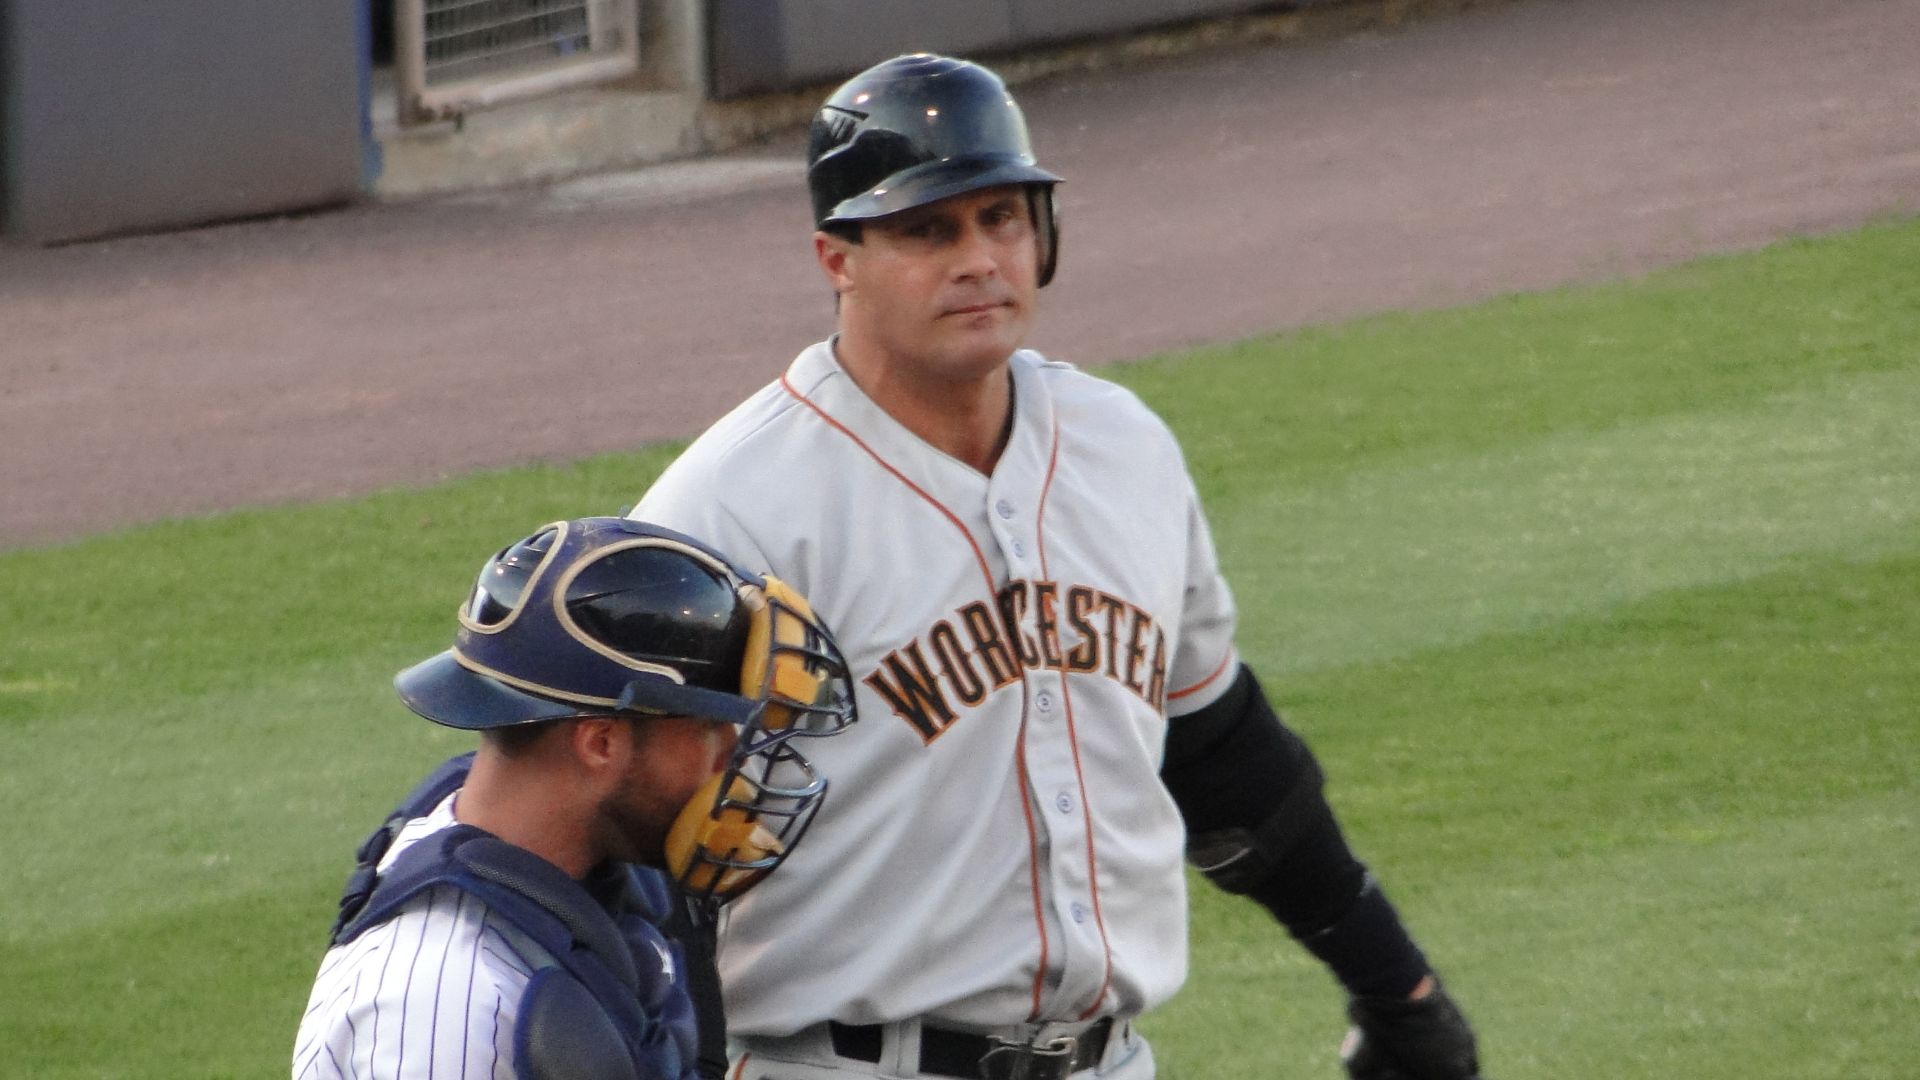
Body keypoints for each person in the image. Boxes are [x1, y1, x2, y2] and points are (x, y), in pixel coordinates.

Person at [627, 53, 1485, 1080]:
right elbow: (618, 825)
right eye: (927, 230)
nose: (979, 259)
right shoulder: (730, 508)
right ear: (836, 257)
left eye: (1003, 219)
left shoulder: (1121, 446)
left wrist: (1397, 987)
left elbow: (1220, 754)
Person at [291, 516, 856, 1080]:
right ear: (602, 742)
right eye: (712, 727)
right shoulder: (447, 998)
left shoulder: (586, 876)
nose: (730, 755)